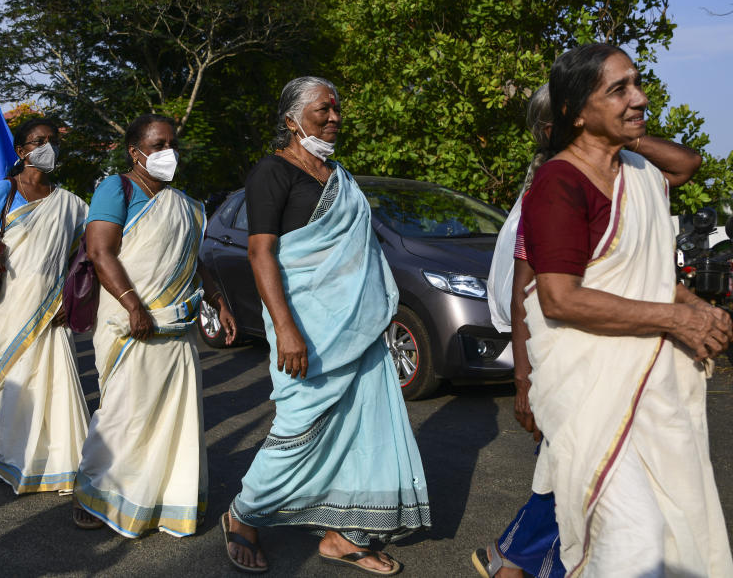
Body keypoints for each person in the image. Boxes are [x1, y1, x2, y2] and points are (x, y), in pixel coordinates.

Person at [520, 43, 732, 576]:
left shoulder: (637, 173)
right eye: (618, 90)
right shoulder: (558, 183)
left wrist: (696, 310)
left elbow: (650, 271)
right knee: (632, 541)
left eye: (637, 83)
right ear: (574, 111)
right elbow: (560, 298)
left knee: (669, 530)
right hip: (592, 392)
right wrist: (677, 317)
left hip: (649, 390)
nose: (638, 98)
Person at [474, 84, 703, 578]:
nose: (634, 101)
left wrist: (621, 137)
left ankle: (509, 559)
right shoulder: (551, 191)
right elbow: (526, 297)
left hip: (631, 367)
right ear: (561, 127)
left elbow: (686, 164)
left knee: (577, 483)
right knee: (587, 487)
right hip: (574, 371)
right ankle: (517, 560)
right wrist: (524, 385)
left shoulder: (625, 177)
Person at [225, 77, 430, 575]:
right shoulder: (272, 173)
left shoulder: (340, 177)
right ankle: (243, 516)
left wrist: (375, 312)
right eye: (324, 109)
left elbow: (363, 255)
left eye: (338, 109)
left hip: (357, 330)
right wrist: (286, 329)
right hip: (305, 328)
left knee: (360, 428)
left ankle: (344, 535)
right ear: (293, 119)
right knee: (300, 426)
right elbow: (261, 252)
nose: (335, 117)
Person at [72, 114, 237, 536]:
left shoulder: (183, 203)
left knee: (170, 418)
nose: (169, 152)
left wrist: (219, 301)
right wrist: (133, 306)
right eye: (159, 144)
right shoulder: (118, 187)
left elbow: (195, 262)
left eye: (173, 144)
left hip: (175, 329)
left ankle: (160, 500)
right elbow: (99, 251)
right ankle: (93, 494)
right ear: (135, 152)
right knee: (122, 416)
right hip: (131, 322)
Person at [0, 118, 90, 494]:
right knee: (7, 379)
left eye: (51, 141)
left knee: (55, 382)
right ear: (21, 151)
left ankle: (58, 462)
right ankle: (0, 454)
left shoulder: (71, 203)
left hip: (49, 307)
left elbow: (84, 256)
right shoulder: (4, 189)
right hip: (4, 306)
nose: (47, 147)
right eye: (37, 141)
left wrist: (71, 296)